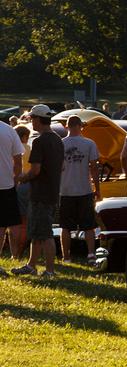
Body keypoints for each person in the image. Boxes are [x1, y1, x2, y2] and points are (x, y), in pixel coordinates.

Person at [12, 104, 64, 277]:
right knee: (36, 232)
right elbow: (61, 166)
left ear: (38, 119)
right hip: (52, 191)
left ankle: (49, 270)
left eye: (32, 118)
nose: (31, 122)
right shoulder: (57, 139)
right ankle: (31, 265)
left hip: (41, 193)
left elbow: (35, 170)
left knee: (45, 233)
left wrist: (20, 178)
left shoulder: (40, 141)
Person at [58, 115, 101, 265]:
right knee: (89, 225)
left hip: (65, 190)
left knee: (65, 226)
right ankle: (90, 254)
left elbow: (57, 168)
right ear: (80, 126)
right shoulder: (89, 143)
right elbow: (94, 168)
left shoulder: (60, 144)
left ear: (67, 126)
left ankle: (66, 257)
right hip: (84, 189)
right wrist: (97, 188)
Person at [0, 121, 24, 272]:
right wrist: (15, 181)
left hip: (7, 184)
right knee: (13, 224)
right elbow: (18, 162)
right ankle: (16, 256)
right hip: (7, 184)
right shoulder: (9, 130)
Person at [11, 125, 31, 258]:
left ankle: (14, 251)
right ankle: (20, 250)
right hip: (26, 184)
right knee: (23, 221)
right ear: (24, 136)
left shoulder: (11, 147)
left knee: (12, 221)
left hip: (12, 184)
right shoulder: (28, 148)